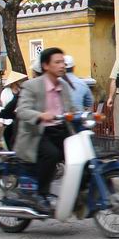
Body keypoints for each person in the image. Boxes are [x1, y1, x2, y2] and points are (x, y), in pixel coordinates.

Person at [15, 48, 78, 213]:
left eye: (63, 62)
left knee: (81, 155)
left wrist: (86, 115)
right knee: (52, 154)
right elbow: (22, 110)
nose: (62, 65)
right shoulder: (31, 86)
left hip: (60, 130)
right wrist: (41, 115)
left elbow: (72, 109)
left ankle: (79, 193)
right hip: (37, 133)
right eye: (57, 62)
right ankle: (40, 194)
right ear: (45, 65)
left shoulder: (63, 86)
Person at [0, 71, 27, 150]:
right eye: (18, 81)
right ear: (14, 82)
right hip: (9, 119)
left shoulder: (21, 91)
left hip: (20, 119)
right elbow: (3, 106)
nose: (20, 83)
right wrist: (1, 120)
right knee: (8, 135)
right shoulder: (5, 92)